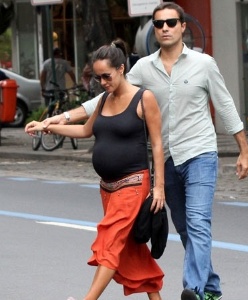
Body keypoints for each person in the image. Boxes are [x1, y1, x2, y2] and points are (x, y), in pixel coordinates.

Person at [41, 3, 248, 300]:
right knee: (187, 229)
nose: (164, 27)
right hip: (167, 159)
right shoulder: (143, 67)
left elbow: (226, 105)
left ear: (182, 26)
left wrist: (244, 149)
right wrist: (61, 118)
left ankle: (193, 288)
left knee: (198, 221)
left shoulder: (204, 64)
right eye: (158, 23)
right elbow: (103, 99)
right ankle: (211, 288)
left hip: (199, 153)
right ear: (153, 29)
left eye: (171, 22)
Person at [25, 39, 165, 300]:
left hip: (134, 185)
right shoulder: (103, 101)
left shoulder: (143, 98)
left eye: (107, 76)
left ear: (121, 69)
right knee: (132, 250)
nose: (102, 82)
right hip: (108, 189)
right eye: (98, 77)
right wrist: (46, 126)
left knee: (110, 243)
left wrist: (159, 189)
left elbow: (157, 145)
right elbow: (85, 130)